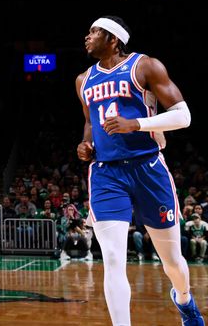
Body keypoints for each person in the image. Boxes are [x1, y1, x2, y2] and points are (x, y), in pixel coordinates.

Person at [76, 16, 203, 325]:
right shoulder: (83, 79)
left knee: (172, 262)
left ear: (113, 39)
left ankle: (184, 299)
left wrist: (137, 124)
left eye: (94, 31)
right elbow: (91, 121)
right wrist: (85, 143)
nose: (87, 36)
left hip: (147, 168)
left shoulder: (145, 66)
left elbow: (183, 116)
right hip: (106, 174)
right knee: (114, 260)